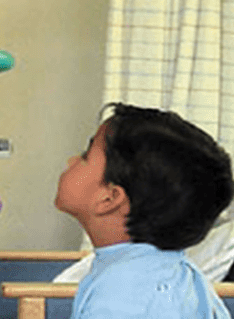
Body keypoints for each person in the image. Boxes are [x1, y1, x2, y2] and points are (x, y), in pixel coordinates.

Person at [55, 103, 234, 318]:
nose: (71, 161)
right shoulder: (178, 274)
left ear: (109, 198)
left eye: (85, 156)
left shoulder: (123, 295)